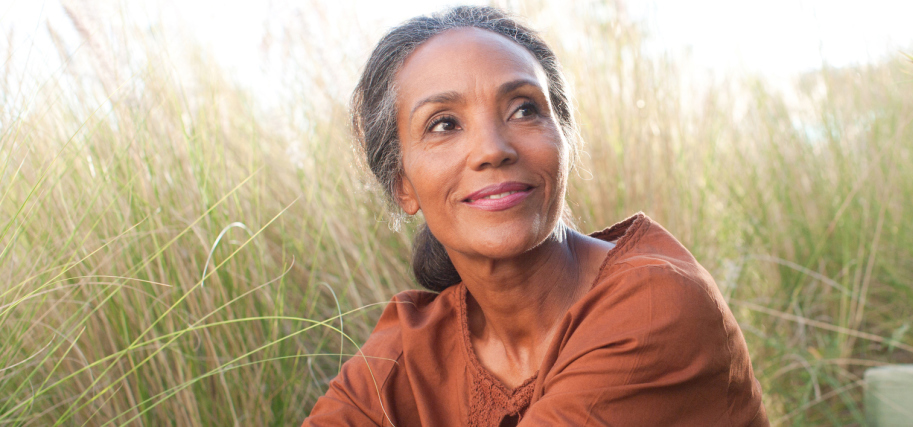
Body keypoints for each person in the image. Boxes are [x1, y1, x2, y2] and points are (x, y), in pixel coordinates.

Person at [303, 6, 767, 426]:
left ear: (563, 141)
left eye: (524, 109)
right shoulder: (408, 352)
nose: (492, 149)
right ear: (402, 184)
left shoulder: (655, 305)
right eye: (444, 123)